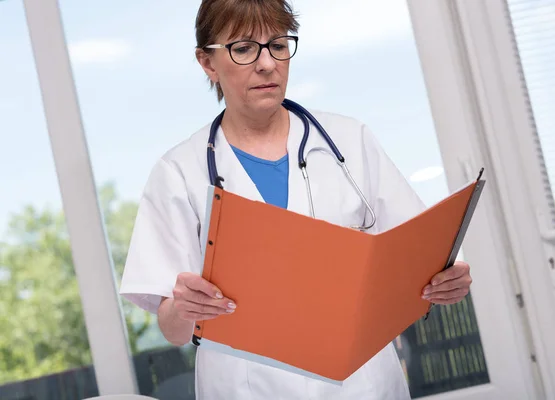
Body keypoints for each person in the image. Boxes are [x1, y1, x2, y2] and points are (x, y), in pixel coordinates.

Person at [119, 0, 473, 399]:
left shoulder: (348, 140)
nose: (267, 63)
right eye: (243, 48)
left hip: (361, 384)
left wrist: (447, 276)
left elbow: (418, 253)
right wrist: (184, 307)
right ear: (207, 63)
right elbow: (172, 329)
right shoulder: (179, 172)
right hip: (248, 387)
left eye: (278, 44)